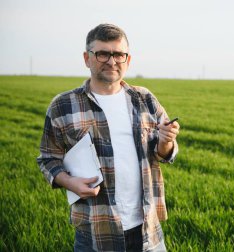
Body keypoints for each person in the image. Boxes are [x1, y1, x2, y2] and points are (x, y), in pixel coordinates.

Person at [37, 23, 179, 251]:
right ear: (87, 58)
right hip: (95, 233)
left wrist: (166, 141)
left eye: (118, 54)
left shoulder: (145, 99)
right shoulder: (62, 105)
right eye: (103, 53)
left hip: (147, 231)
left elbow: (164, 154)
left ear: (127, 60)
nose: (112, 61)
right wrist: (69, 182)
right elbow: (47, 159)